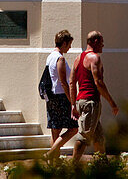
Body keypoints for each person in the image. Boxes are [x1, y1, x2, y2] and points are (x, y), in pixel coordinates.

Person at [69, 29, 119, 160]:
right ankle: (72, 169)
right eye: (102, 42)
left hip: (81, 101)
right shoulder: (95, 58)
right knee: (84, 137)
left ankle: (103, 166)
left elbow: (72, 83)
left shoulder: (78, 59)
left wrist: (73, 105)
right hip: (91, 102)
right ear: (95, 41)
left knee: (98, 137)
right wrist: (112, 102)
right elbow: (99, 83)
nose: (103, 45)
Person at [44, 29, 78, 158]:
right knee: (73, 128)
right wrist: (71, 101)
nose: (69, 47)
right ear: (64, 43)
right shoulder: (60, 59)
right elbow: (63, 82)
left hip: (51, 97)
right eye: (69, 44)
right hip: (60, 96)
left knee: (56, 130)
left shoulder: (50, 56)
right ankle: (50, 154)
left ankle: (54, 161)